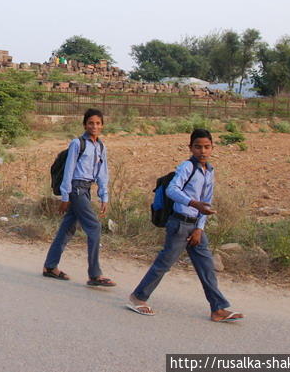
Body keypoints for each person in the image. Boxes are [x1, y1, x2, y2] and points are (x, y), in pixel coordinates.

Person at [127, 128, 244, 322]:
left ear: (213, 148)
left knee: (206, 267)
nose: (202, 151)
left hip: (195, 226)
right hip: (179, 224)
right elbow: (172, 190)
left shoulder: (209, 171)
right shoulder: (187, 167)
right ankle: (138, 297)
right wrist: (192, 203)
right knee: (164, 264)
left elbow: (207, 201)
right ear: (190, 148)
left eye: (207, 147)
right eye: (198, 147)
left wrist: (200, 228)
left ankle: (218, 309)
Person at [42, 108, 115, 287]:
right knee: (94, 226)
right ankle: (94, 274)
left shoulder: (101, 146)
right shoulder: (77, 143)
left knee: (68, 228)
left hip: (86, 189)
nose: (94, 126)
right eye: (91, 123)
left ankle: (50, 266)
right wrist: (65, 195)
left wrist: (104, 195)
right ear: (84, 124)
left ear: (102, 125)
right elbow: (69, 170)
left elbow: (102, 173)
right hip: (76, 189)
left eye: (98, 123)